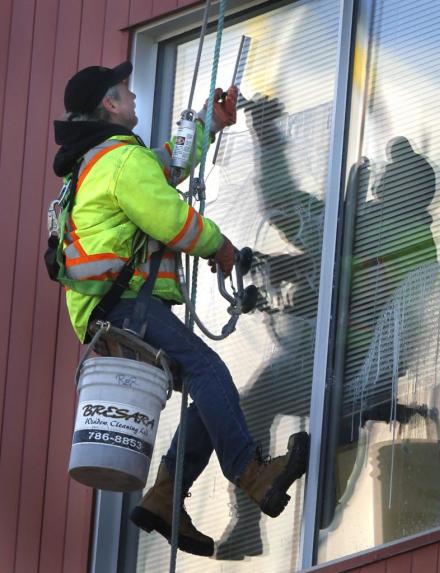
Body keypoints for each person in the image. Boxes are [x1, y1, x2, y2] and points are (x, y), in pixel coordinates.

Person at [52, 61, 309, 558]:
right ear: (109, 104)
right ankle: (252, 473)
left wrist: (210, 126)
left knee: (203, 384)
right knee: (207, 369)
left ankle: (165, 495)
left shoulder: (103, 162)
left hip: (110, 311)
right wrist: (220, 247)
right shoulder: (119, 161)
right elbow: (167, 215)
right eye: (125, 92)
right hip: (125, 306)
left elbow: (164, 169)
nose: (133, 97)